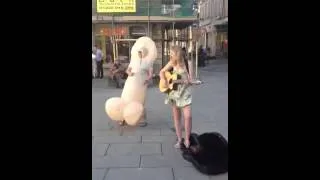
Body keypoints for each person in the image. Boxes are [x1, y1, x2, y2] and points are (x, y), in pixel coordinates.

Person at [159, 45, 193, 149]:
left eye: (172, 54)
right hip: (174, 93)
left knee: (188, 116)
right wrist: (164, 79)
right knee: (177, 117)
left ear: (177, 55)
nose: (170, 56)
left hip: (185, 93)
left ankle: (187, 139)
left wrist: (188, 81)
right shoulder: (172, 63)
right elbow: (161, 72)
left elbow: (191, 80)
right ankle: (179, 140)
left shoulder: (188, 63)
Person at [122, 49, 153, 127]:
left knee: (140, 101)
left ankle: (142, 119)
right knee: (127, 98)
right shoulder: (133, 61)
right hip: (131, 82)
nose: (140, 54)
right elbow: (127, 70)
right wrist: (129, 73)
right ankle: (124, 118)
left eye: (141, 52)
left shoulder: (148, 62)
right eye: (139, 52)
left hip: (141, 83)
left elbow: (150, 74)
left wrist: (148, 79)